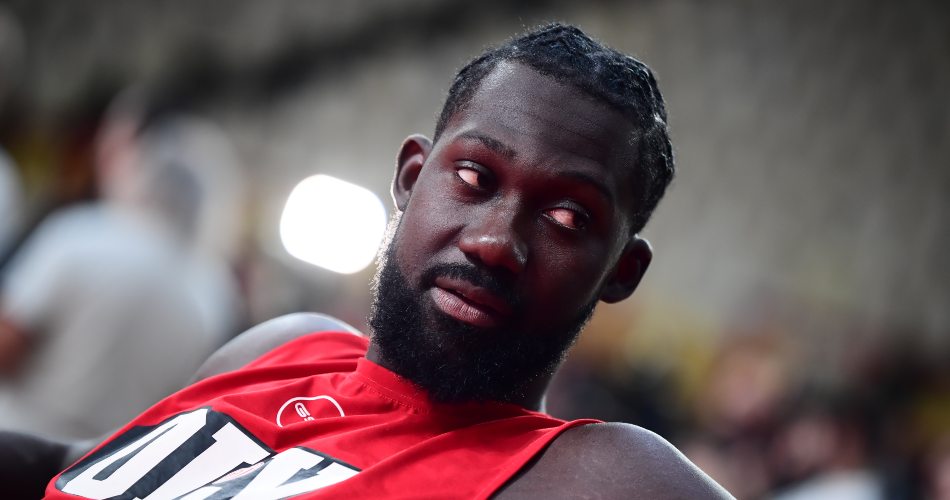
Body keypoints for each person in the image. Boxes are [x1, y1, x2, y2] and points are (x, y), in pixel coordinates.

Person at [1, 23, 733, 499]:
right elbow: (77, 462)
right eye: (475, 178)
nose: (493, 241)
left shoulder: (585, 475)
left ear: (620, 274)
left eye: (568, 217)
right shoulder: (286, 345)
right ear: (412, 177)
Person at [0, 93, 243, 442]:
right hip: (100, 479)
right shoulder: (214, 292)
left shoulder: (81, 235)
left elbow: (6, 347)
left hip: (15, 450)